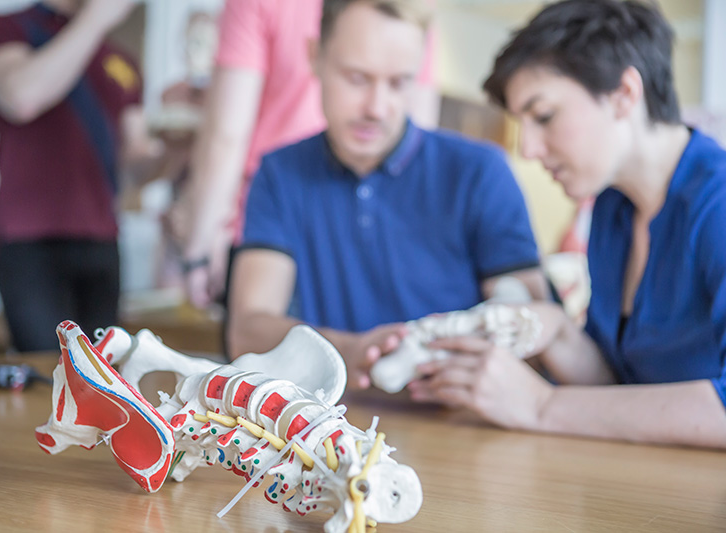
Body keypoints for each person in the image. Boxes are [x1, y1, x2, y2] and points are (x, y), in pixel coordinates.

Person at [408, 0, 726, 449]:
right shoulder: (614, 209)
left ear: (624, 94)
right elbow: (614, 391)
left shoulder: (717, 203)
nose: (531, 149)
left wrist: (540, 406)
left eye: (544, 117)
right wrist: (554, 330)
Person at [227, 0, 549, 389]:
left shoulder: (482, 172)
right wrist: (351, 349)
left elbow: (534, 335)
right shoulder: (280, 173)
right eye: (357, 78)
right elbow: (246, 330)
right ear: (315, 57)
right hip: (335, 428)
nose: (376, 108)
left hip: (464, 427)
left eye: (399, 83)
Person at [166, 0, 441, 309]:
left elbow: (226, 135)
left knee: (264, 346)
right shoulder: (411, 10)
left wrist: (201, 243)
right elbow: (418, 135)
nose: (375, 107)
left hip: (265, 226)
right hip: (354, 233)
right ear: (315, 55)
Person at [0, 0, 167, 351]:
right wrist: (97, 17)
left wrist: (174, 150)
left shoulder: (121, 61)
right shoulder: (6, 30)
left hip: (102, 240)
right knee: (47, 370)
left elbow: (135, 164)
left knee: (103, 374)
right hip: (29, 239)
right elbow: (21, 97)